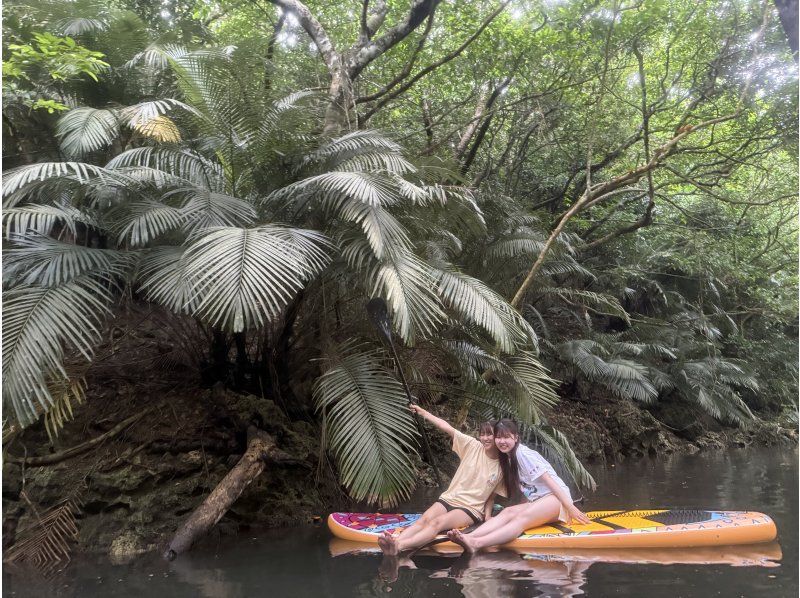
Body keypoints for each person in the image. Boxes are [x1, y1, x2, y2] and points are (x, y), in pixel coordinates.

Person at [447, 418, 590, 553]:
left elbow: (551, 483)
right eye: (498, 437)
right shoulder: (508, 457)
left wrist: (571, 508)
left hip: (557, 500)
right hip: (542, 501)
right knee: (507, 512)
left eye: (506, 437)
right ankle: (470, 536)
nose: (502, 441)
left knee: (520, 519)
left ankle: (477, 543)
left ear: (515, 437)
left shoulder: (523, 454)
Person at [378, 405, 505, 555]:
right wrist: (423, 412)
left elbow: (491, 495)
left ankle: (399, 546)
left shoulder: (503, 466)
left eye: (489, 434)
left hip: (470, 509)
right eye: (482, 434)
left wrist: (488, 516)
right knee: (423, 520)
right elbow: (447, 428)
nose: (485, 438)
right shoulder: (472, 445)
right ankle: (395, 541)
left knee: (437, 523)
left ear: (497, 437)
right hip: (449, 498)